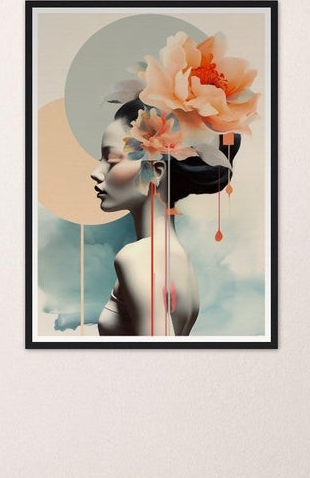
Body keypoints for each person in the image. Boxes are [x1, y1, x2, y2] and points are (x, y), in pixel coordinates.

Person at [92, 98, 237, 337]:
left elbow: (157, 361)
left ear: (156, 172)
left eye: (112, 160)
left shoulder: (139, 258)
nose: (96, 173)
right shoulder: (177, 258)